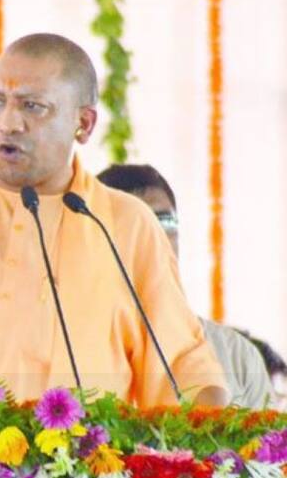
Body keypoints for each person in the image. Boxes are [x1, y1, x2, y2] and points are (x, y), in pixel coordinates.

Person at [0, 33, 227, 409]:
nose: (8, 123)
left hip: (82, 448)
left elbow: (182, 365)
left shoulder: (123, 222)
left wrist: (216, 435)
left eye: (32, 107)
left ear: (83, 123)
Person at [97, 163, 275, 408]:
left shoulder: (235, 354)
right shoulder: (67, 348)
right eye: (134, 225)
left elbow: (268, 434)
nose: (154, 237)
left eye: (164, 222)